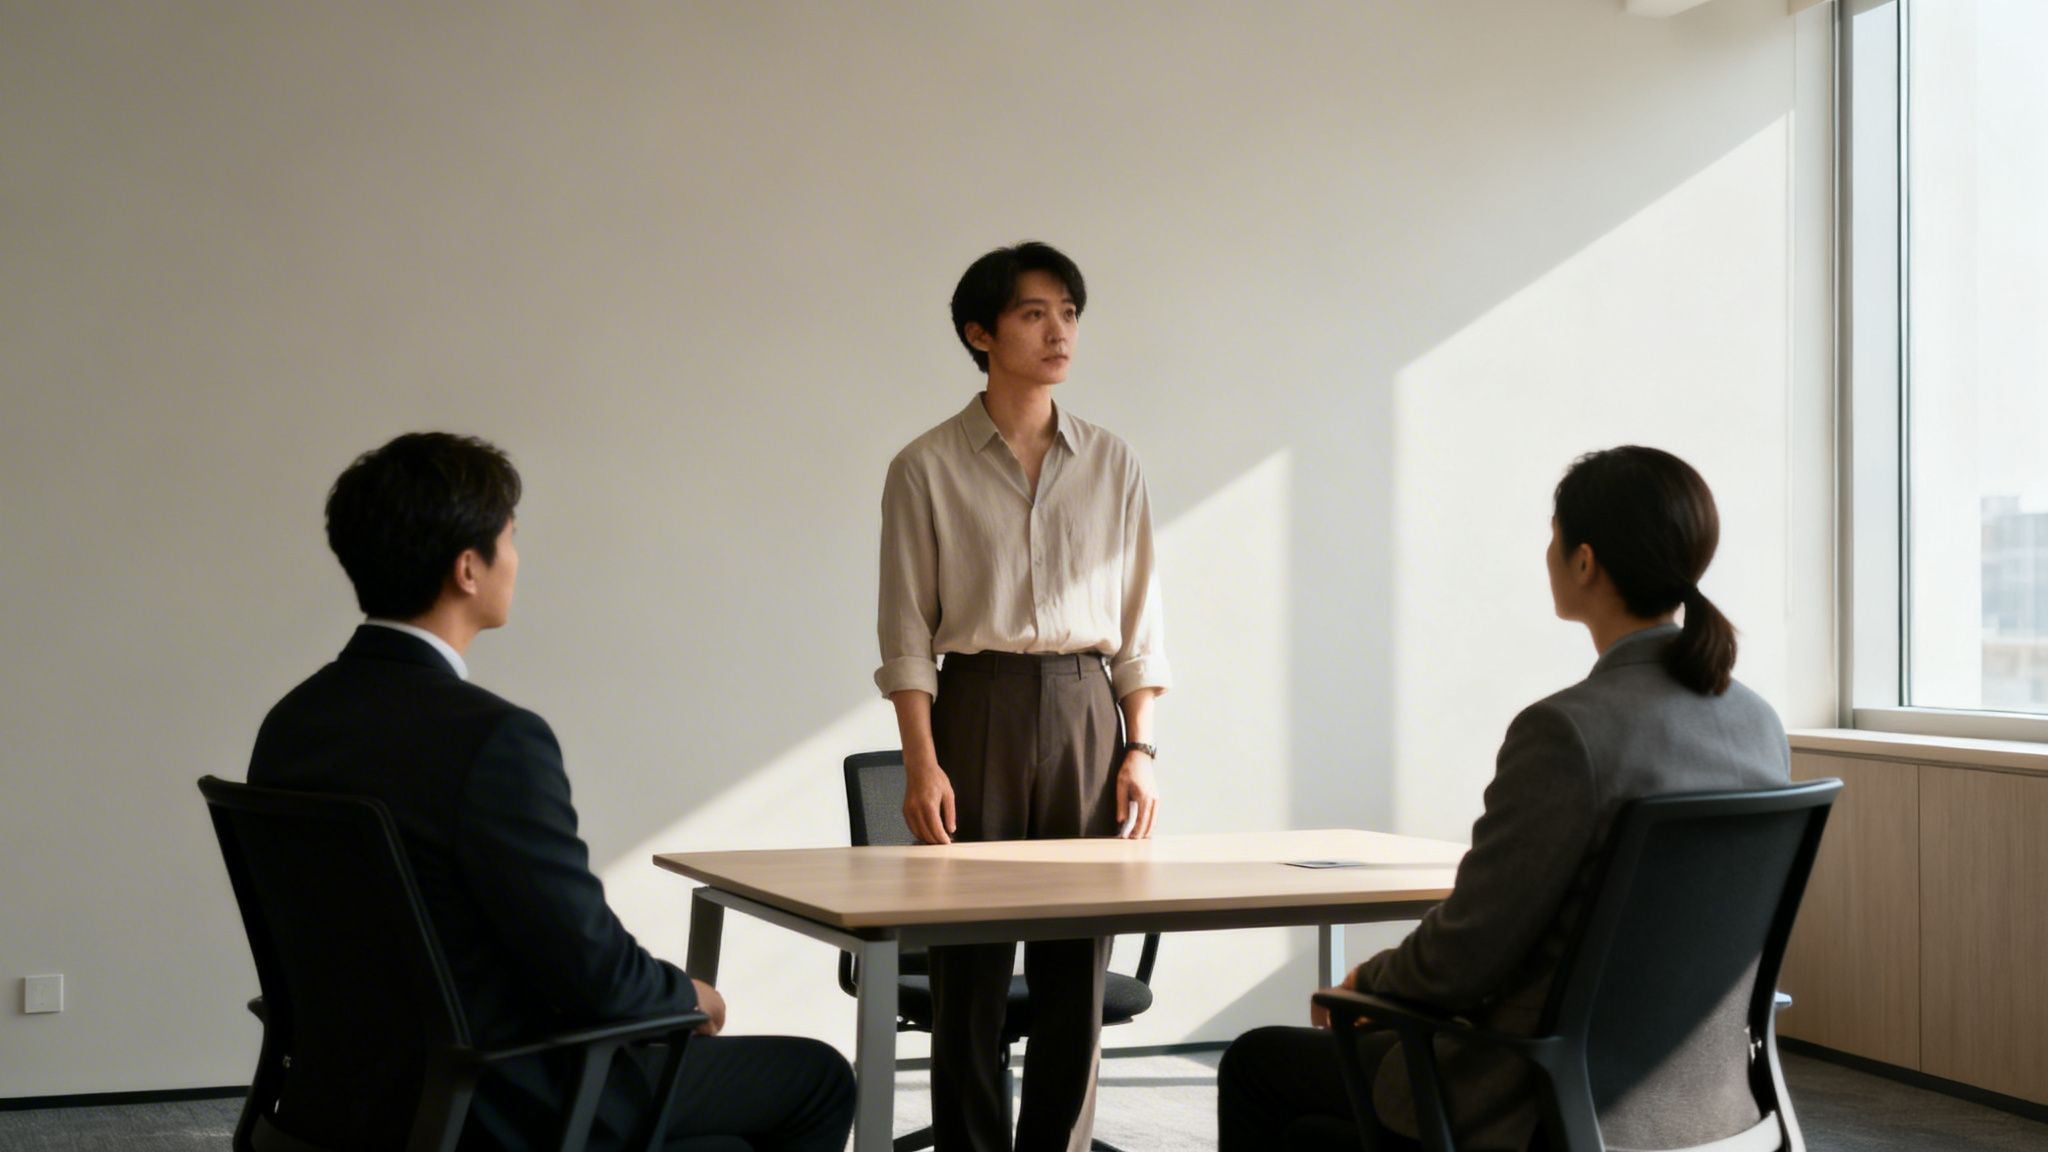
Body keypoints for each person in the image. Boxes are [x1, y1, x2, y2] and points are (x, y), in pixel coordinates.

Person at [248, 432, 855, 1151]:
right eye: (510, 538)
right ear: (468, 568)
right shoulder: (493, 740)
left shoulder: (293, 722)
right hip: (501, 1098)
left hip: (344, 1092)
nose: (517, 558)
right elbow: (591, 975)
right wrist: (688, 995)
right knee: (818, 1079)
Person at [1217, 446, 1791, 1152]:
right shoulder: (1758, 723)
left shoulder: (1568, 733)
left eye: (1553, 536)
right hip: (1710, 1099)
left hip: (1542, 1102)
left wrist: (1372, 979)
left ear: (1584, 561)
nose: (1546, 553)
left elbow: (1467, 955)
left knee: (1256, 1064)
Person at [875, 242, 1171, 1152]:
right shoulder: (924, 466)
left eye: (1070, 314)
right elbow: (905, 635)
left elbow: (1140, 619)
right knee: (968, 963)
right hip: (977, 707)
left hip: (1089, 708)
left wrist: (1141, 746)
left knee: (1075, 965)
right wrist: (920, 765)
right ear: (981, 332)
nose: (1059, 332)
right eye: (1035, 313)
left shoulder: (1113, 462)